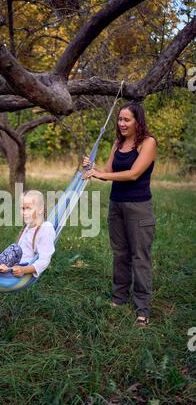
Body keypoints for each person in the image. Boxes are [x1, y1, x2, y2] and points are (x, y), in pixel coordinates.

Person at [83, 102, 157, 326]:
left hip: (138, 207)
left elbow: (134, 174)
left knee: (139, 257)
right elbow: (107, 171)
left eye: (127, 120)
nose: (122, 124)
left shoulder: (148, 143)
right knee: (120, 254)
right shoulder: (118, 143)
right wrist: (92, 167)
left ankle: (142, 308)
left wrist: (101, 175)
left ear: (138, 121)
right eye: (120, 119)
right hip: (116, 205)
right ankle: (119, 297)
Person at [0, 190, 56, 278]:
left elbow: (44, 260)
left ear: (40, 209)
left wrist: (23, 270)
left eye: (29, 208)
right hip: (10, 266)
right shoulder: (28, 226)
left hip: (21, 268)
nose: (24, 212)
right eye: (22, 208)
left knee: (15, 248)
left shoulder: (46, 228)